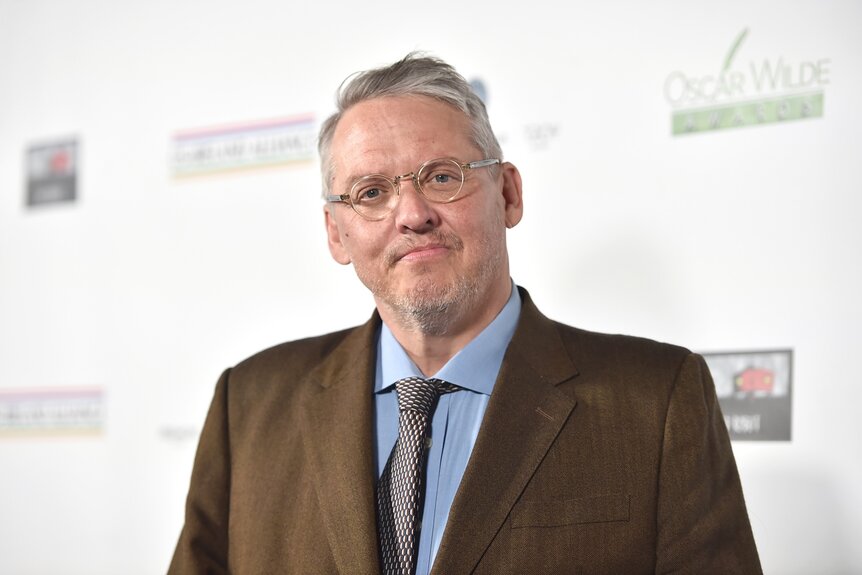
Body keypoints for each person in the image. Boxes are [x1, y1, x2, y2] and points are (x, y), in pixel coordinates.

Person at [168, 52, 762, 575]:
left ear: (508, 194)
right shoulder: (246, 405)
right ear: (336, 233)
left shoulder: (656, 401)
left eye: (442, 177)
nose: (412, 213)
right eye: (371, 192)